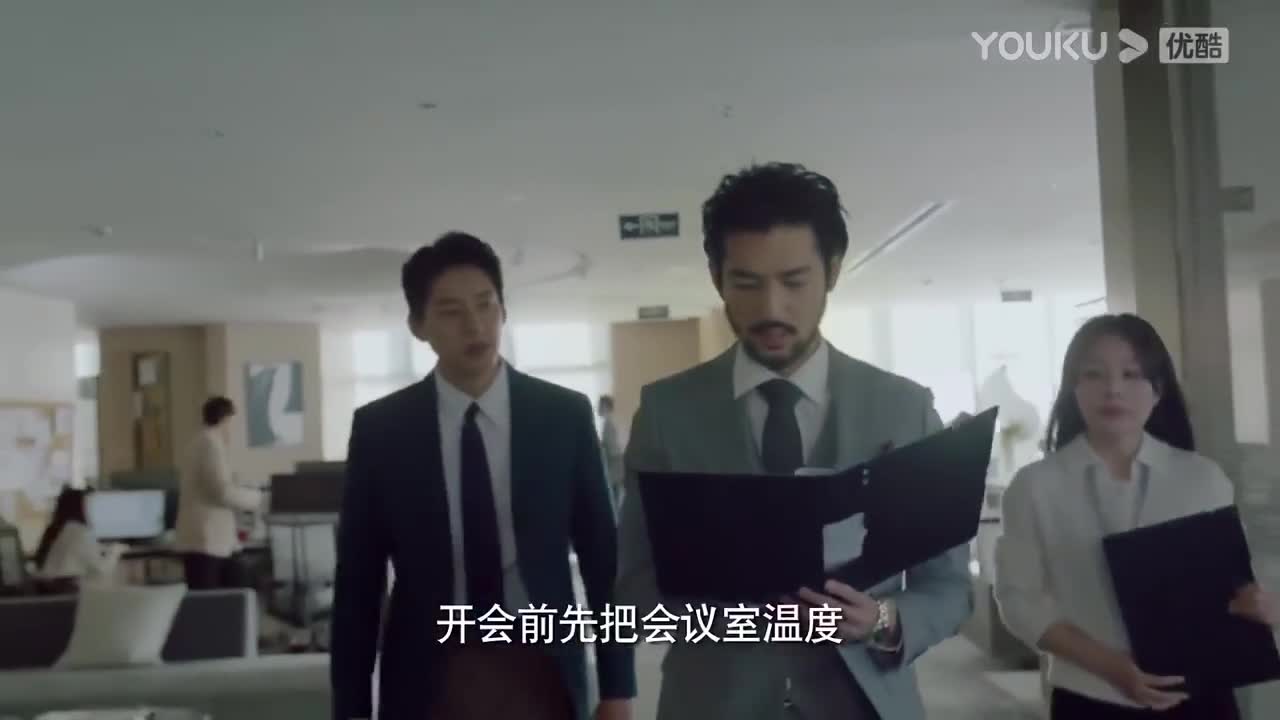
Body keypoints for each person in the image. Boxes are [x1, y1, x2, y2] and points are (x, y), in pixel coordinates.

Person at [616, 162, 973, 720]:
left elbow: (949, 587)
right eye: (746, 283)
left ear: (832, 270)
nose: (771, 309)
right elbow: (634, 590)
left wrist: (880, 619)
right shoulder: (667, 413)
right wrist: (733, 615)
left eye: (794, 281)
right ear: (716, 277)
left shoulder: (904, 409)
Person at [331, 232, 634, 720]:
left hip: (542, 664)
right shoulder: (382, 430)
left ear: (503, 310)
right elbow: (359, 583)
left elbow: (603, 561)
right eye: (451, 311)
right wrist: (350, 709)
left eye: (485, 305)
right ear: (418, 326)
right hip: (428, 673)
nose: (474, 325)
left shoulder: (563, 416)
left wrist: (618, 689)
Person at [994, 313, 1277, 719]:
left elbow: (1239, 581)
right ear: (1073, 388)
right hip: (1092, 696)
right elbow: (1019, 600)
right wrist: (1111, 666)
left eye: (1131, 374)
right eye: (1093, 374)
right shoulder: (1035, 486)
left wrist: (1262, 604)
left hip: (1202, 693)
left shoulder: (1202, 477)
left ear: (1158, 390)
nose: (1113, 389)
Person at [176, 396, 261, 590]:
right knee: (210, 600)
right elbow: (221, 491)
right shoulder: (210, 444)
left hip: (208, 540)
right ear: (225, 419)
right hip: (206, 541)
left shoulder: (200, 441)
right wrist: (257, 499)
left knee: (225, 593)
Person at [33, 487, 125, 592]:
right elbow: (102, 569)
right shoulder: (80, 532)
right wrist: (117, 550)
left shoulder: (61, 528)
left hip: (49, 589)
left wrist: (103, 548)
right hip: (65, 592)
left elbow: (78, 551)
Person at [597, 394, 624, 511]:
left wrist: (600, 446)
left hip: (614, 465)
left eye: (600, 405)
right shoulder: (608, 423)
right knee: (614, 499)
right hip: (615, 464)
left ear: (606, 406)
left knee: (613, 500)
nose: (598, 408)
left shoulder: (609, 424)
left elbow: (612, 449)